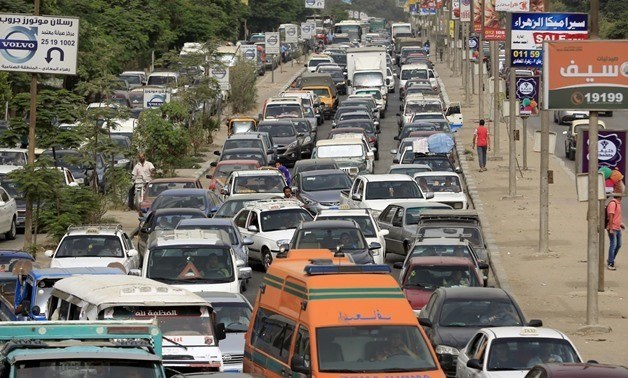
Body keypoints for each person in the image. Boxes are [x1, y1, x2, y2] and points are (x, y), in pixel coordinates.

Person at [606, 185, 625, 270]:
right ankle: (610, 263)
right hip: (613, 228)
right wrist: (610, 228)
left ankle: (611, 258)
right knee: (613, 245)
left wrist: (620, 224)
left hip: (617, 228)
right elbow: (610, 216)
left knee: (619, 245)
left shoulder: (618, 204)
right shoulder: (613, 204)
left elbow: (616, 216)